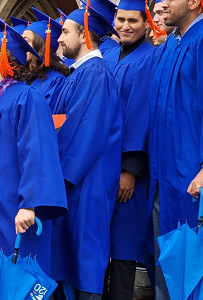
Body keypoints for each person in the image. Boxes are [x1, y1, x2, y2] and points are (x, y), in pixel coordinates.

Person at [0, 24, 68, 300]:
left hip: (9, 213)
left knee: (12, 283)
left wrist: (29, 203)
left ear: (1, 59)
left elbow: (37, 153)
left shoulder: (27, 98)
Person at [50, 5, 122, 300]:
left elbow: (83, 134)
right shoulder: (78, 74)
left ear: (85, 35)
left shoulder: (96, 74)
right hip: (73, 182)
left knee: (85, 261)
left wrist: (56, 178)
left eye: (65, 32)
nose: (59, 40)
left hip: (84, 182)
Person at [99, 1, 155, 299]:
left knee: (123, 244)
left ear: (147, 24)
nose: (125, 26)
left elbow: (140, 116)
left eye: (133, 20)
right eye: (121, 19)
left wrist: (130, 169)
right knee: (99, 243)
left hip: (126, 168)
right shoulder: (109, 55)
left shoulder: (150, 58)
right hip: (102, 164)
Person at [148, 0, 203, 298]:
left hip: (191, 177)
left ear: (194, 2)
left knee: (191, 269)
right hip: (165, 178)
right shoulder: (173, 45)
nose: (162, 3)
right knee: (167, 269)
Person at [23, 8, 70, 111]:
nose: (21, 44)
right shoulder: (24, 77)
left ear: (40, 46)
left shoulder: (56, 80)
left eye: (26, 40)